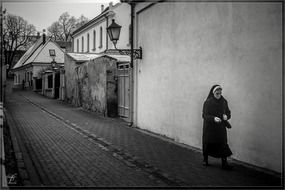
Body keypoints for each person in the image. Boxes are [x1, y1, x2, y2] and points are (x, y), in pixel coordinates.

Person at [202, 84, 233, 170]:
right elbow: (204, 115)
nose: (219, 95)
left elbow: (228, 112)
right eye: (217, 93)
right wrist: (213, 118)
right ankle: (205, 159)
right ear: (213, 93)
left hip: (220, 128)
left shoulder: (224, 101)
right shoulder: (207, 102)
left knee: (223, 144)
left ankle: (224, 162)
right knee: (208, 143)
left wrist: (227, 116)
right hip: (210, 128)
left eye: (220, 93)